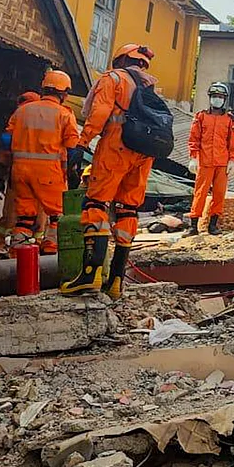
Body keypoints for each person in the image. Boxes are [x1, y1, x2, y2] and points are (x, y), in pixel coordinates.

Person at [60, 44, 157, 299]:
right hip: (144, 154)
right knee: (127, 211)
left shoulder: (114, 78)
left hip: (116, 148)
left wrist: (82, 143)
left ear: (121, 59)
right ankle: (116, 280)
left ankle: (90, 276)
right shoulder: (149, 85)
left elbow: (100, 113)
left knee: (95, 205)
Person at [4, 70, 80, 254]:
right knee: (56, 215)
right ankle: (50, 253)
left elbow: (6, 138)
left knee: (24, 216)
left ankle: (17, 256)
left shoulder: (22, 110)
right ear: (63, 93)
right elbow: (72, 144)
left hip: (20, 171)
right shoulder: (64, 114)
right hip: (48, 173)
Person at [0, 91, 41, 258]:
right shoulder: (34, 120)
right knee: (25, 219)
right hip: (34, 178)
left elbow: (7, 141)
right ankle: (16, 253)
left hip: (22, 176)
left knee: (18, 217)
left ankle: (5, 250)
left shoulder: (22, 118)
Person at [187, 82, 234, 236]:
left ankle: (213, 225)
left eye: (221, 97)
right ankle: (193, 225)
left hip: (222, 163)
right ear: (210, 98)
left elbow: (233, 142)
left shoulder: (230, 119)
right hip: (204, 162)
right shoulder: (201, 116)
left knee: (219, 194)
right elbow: (194, 139)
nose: (217, 99)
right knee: (200, 193)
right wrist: (193, 158)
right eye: (215, 96)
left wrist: (232, 160)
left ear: (225, 99)